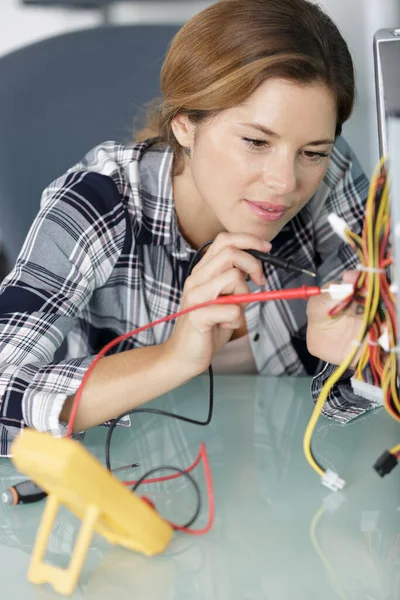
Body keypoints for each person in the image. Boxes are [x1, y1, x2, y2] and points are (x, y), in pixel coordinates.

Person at [0, 0, 373, 456]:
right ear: (184, 126)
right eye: (256, 142)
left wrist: (360, 361)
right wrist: (175, 356)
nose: (286, 182)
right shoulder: (96, 201)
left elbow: (368, 408)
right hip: (135, 491)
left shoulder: (331, 177)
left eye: (312, 151)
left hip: (299, 491)